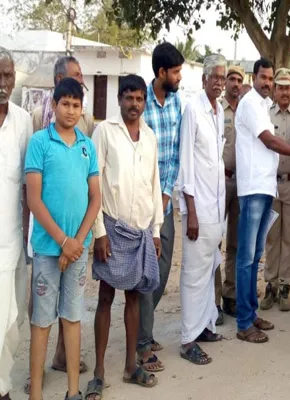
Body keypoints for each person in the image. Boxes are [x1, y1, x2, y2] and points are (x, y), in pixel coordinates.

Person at [85, 74, 162, 399]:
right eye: (129, 98)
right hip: (111, 229)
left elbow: (154, 184)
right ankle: (99, 373)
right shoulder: (104, 132)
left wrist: (156, 231)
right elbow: (95, 181)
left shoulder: (149, 136)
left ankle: (130, 366)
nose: (134, 104)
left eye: (139, 99)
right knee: (105, 298)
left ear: (145, 102)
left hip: (141, 230)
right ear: (120, 100)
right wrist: (99, 231)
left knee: (134, 298)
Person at [234, 58, 290, 343]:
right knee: (247, 258)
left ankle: (252, 312)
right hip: (252, 189)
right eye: (264, 78)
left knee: (256, 255)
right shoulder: (249, 103)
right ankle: (244, 322)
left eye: (271, 78)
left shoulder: (260, 105)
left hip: (264, 187)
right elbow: (270, 142)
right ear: (254, 77)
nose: (268, 83)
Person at [25, 77, 101, 400]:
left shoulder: (87, 146)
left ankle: (73, 391)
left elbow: (95, 198)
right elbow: (34, 199)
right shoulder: (40, 143)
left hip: (78, 252)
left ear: (82, 109)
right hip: (46, 249)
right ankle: (37, 393)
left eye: (76, 105)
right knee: (41, 322)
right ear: (54, 106)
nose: (70, 110)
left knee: (72, 318)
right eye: (65, 104)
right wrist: (62, 241)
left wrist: (78, 242)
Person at [177, 55, 227, 365]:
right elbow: (187, 164)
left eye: (223, 77)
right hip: (198, 209)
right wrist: (191, 211)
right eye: (215, 77)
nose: (220, 82)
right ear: (204, 80)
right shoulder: (193, 110)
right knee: (194, 274)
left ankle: (205, 326)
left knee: (209, 270)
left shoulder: (218, 110)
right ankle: (187, 340)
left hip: (215, 207)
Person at [138, 42, 184, 372]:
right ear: (161, 73)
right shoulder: (141, 104)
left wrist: (167, 194)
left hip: (165, 201)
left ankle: (142, 327)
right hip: (142, 202)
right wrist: (152, 197)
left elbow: (177, 153)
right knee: (145, 271)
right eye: (176, 72)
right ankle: (141, 341)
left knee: (162, 270)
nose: (180, 77)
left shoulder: (178, 102)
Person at [0, 47, 30, 400]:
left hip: (14, 240)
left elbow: (29, 184)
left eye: (8, 75)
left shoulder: (23, 121)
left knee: (13, 321)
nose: (3, 83)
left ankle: (3, 380)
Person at [260, 68, 290, 312]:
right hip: (271, 184)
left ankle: (285, 285)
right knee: (271, 236)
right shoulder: (265, 114)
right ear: (274, 90)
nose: (284, 91)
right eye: (280, 87)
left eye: (288, 87)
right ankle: (270, 285)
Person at [218, 65, 245, 320]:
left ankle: (231, 295)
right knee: (214, 241)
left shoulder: (245, 109)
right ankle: (212, 299)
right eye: (232, 79)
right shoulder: (216, 109)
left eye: (239, 80)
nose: (235, 84)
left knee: (235, 243)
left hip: (242, 182)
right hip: (219, 181)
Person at [31, 56, 94, 135]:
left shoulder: (86, 119)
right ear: (59, 79)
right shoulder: (39, 116)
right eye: (77, 75)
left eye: (81, 76)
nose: (81, 81)